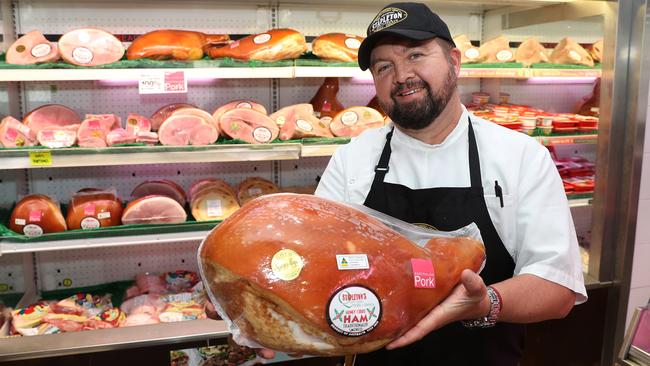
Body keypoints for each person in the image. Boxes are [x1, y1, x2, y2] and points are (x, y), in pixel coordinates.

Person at [310, 2, 588, 365]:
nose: (401, 75)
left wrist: (485, 302)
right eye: (384, 66)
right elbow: (317, 267)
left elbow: (557, 288)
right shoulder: (353, 159)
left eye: (416, 55)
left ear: (454, 61)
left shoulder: (519, 156)